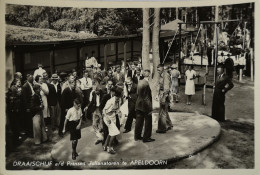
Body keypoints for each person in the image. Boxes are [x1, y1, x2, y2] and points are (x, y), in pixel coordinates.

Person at [135, 69, 155, 143]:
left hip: (138, 104)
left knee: (139, 121)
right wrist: (150, 108)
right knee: (148, 121)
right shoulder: (146, 83)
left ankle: (137, 136)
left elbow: (138, 94)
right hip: (145, 106)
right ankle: (146, 137)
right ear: (149, 75)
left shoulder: (140, 82)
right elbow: (147, 97)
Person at [103, 89, 122, 154]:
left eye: (118, 98)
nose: (117, 99)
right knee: (115, 132)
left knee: (111, 132)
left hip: (113, 117)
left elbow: (118, 109)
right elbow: (104, 110)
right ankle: (110, 147)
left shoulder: (119, 100)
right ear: (115, 96)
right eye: (116, 97)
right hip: (107, 118)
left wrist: (119, 113)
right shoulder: (110, 101)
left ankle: (105, 146)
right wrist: (107, 118)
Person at [156, 64, 173, 134]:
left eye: (159, 69)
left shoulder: (165, 75)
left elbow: (166, 89)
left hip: (165, 95)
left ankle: (162, 128)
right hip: (161, 94)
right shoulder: (161, 75)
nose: (158, 71)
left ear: (163, 68)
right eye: (157, 70)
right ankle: (169, 124)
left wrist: (163, 98)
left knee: (162, 112)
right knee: (164, 110)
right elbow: (159, 85)